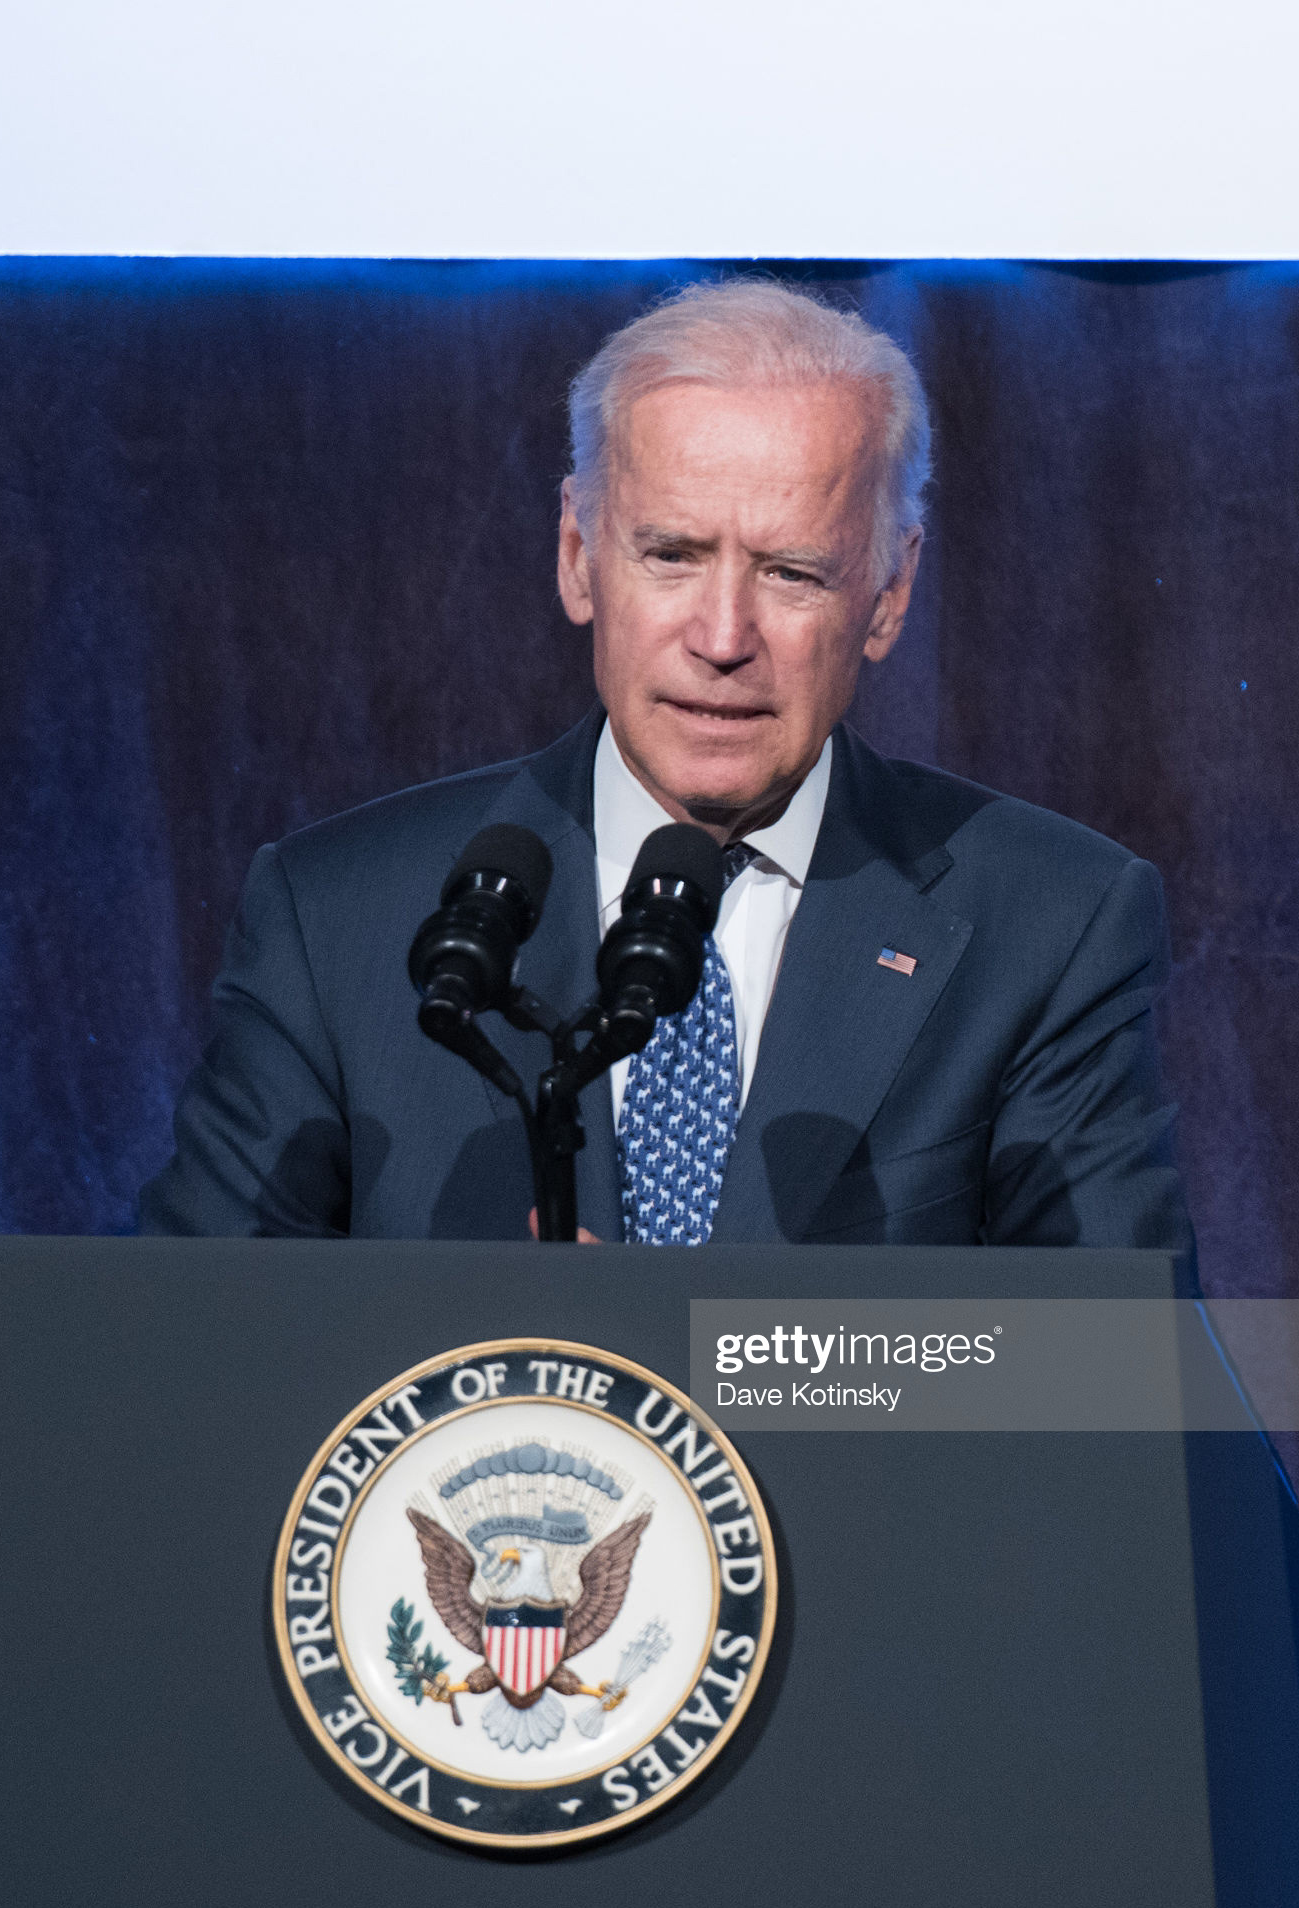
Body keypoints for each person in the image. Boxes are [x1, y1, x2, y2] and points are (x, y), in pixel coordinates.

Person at [140, 279, 1195, 1277]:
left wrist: (698, 1361)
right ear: (576, 554)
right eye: (673, 556)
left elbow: (1112, 1383)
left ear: (887, 593)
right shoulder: (339, 920)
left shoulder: (1048, 925)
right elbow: (196, 1355)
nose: (724, 636)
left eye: (791, 571)